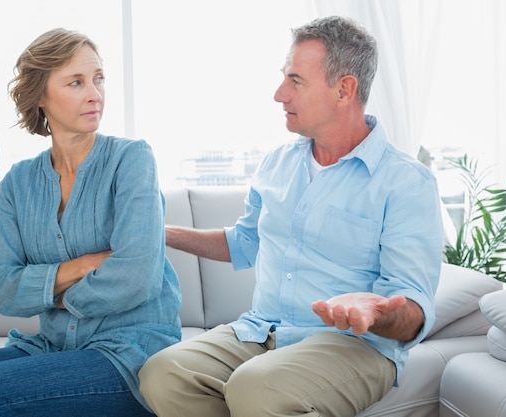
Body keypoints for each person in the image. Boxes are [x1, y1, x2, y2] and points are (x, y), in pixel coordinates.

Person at [139, 16, 444, 417]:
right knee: (163, 372)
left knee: (257, 387)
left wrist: (375, 312)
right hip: (262, 328)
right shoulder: (278, 163)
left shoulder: (405, 182)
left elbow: (414, 311)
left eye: (296, 81)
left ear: (344, 90)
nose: (279, 94)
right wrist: (159, 233)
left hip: (352, 344)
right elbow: (245, 243)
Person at [0, 28, 181, 417]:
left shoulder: (131, 159)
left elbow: (137, 275)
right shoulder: (19, 181)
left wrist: (50, 292)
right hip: (50, 346)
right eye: (76, 82)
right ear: (39, 96)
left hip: (128, 352)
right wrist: (80, 267)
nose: (94, 94)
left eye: (98, 78)